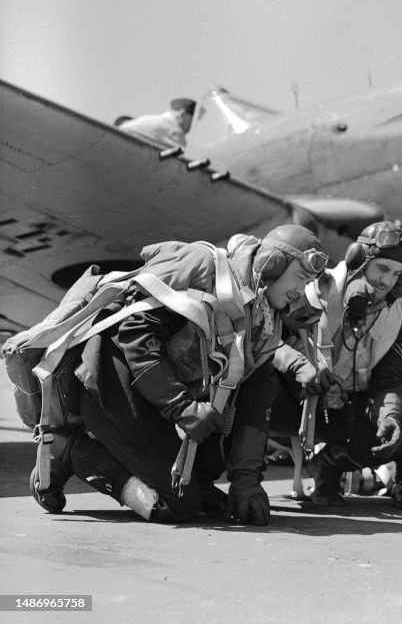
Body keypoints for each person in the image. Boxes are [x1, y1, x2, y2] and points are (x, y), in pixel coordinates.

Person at [17, 224, 328, 525]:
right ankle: (70, 452)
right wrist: (181, 407)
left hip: (164, 400)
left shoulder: (265, 324)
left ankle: (196, 482)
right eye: (299, 278)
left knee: (201, 492)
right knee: (176, 505)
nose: (300, 292)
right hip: (109, 383)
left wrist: (246, 482)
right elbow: (134, 335)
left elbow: (254, 404)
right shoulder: (206, 269)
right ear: (272, 265)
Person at [276, 221, 402, 511]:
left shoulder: (395, 317)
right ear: (358, 260)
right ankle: (238, 480)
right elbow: (270, 343)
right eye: (381, 269)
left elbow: (390, 379)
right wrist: (303, 372)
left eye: (396, 273)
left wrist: (389, 417)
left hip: (340, 410)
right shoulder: (314, 293)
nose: (387, 281)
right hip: (292, 401)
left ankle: (328, 464)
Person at [117, 97, 196, 149]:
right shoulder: (173, 128)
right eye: (194, 118)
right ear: (182, 113)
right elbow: (185, 158)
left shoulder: (152, 118)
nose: (193, 124)